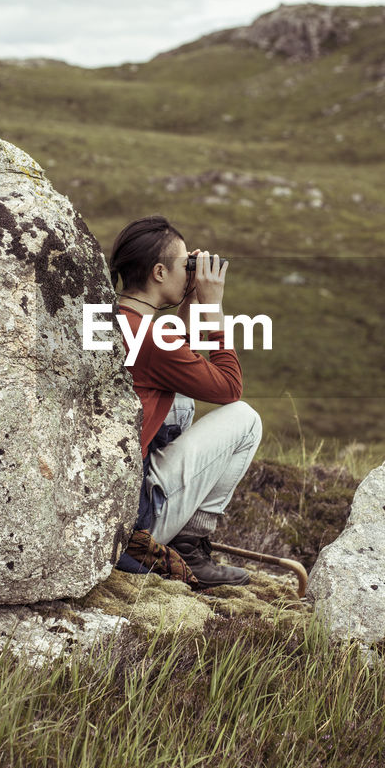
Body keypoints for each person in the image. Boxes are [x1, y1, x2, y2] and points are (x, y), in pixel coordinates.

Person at [109, 214, 262, 588]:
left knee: (181, 404)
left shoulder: (113, 319)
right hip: (136, 519)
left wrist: (190, 297)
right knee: (244, 419)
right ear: (159, 273)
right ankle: (189, 544)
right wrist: (214, 307)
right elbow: (229, 387)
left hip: (108, 491)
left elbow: (178, 362)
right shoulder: (150, 340)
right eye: (184, 266)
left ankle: (177, 528)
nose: (191, 272)